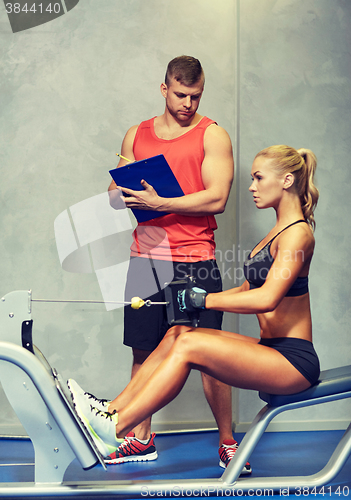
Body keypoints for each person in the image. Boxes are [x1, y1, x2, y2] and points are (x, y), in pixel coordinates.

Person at [69, 144, 320, 474]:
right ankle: (109, 412)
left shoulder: (298, 236)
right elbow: (249, 289)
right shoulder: (276, 231)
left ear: (287, 180)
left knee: (189, 343)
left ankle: (113, 430)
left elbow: (266, 299)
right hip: (271, 350)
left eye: (258, 178)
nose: (251, 186)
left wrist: (204, 300)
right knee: (180, 332)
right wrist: (196, 294)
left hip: (293, 361)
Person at [77, 55, 240, 470]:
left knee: (211, 357)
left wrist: (162, 201)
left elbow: (217, 197)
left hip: (194, 259)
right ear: (164, 88)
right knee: (143, 350)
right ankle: (140, 437)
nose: (188, 103)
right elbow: (115, 192)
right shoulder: (138, 134)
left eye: (196, 96)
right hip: (146, 257)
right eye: (181, 94)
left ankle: (227, 441)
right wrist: (119, 191)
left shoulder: (212, 135)